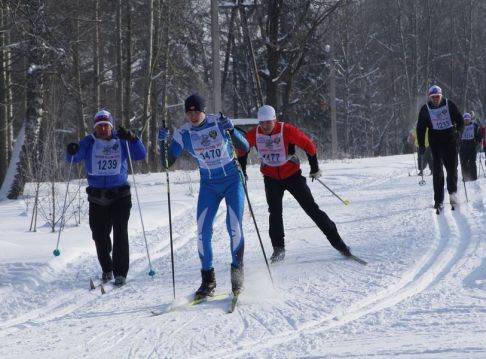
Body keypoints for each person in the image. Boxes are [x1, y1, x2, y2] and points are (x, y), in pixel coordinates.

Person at [158, 94, 249, 299]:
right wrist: (161, 142)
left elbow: (244, 147)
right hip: (209, 184)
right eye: (189, 112)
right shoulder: (184, 132)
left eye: (196, 111)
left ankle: (237, 277)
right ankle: (208, 281)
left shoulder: (218, 123)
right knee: (202, 231)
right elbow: (166, 162)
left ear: (203, 110)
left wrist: (232, 130)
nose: (192, 115)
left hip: (232, 179)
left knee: (233, 226)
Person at [240, 104, 352, 263]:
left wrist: (314, 168)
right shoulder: (255, 134)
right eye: (262, 123)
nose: (265, 126)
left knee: (312, 209)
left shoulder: (287, 130)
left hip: (292, 176)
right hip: (271, 178)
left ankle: (339, 244)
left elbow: (309, 146)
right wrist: (242, 172)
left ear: (274, 120)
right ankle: (278, 249)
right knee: (275, 213)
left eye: (268, 122)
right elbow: (242, 150)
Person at [66, 110, 146, 286]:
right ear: (95, 128)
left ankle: (120, 273)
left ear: (111, 126)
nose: (103, 129)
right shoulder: (89, 142)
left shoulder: (121, 140)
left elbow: (140, 155)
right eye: (99, 126)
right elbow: (74, 158)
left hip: (120, 195)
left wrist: (133, 139)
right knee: (99, 235)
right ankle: (107, 268)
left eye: (106, 125)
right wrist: (71, 150)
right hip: (97, 197)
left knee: (120, 232)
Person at [416, 85, 464, 210]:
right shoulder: (425, 109)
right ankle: (438, 200)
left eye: (437, 96)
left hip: (450, 141)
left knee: (452, 169)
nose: (435, 99)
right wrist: (421, 144)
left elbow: (460, 120)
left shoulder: (449, 104)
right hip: (436, 143)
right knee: (437, 172)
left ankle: (453, 196)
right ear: (430, 97)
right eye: (433, 97)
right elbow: (420, 128)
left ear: (441, 95)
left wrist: (459, 131)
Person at [459, 112, 480, 181]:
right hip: (463, 147)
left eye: (468, 119)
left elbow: (478, 135)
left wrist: (478, 141)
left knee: (472, 162)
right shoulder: (460, 126)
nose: (466, 121)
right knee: (464, 162)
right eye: (465, 119)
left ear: (470, 119)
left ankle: (474, 177)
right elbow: (456, 135)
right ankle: (466, 177)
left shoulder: (475, 126)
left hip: (472, 147)